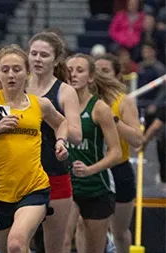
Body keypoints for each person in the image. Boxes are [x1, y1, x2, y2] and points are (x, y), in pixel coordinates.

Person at [0, 44, 69, 253]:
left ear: (27, 72)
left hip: (33, 187)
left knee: (16, 244)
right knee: (9, 249)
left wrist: (60, 141)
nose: (11, 75)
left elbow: (61, 123)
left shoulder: (40, 104)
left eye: (17, 69)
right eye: (5, 69)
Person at [26, 32, 82, 253]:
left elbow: (76, 135)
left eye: (44, 55)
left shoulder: (65, 91)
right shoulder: (18, 85)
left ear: (56, 60)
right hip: (22, 175)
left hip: (54, 174)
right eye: (34, 54)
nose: (38, 59)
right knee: (17, 242)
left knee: (55, 247)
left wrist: (53, 121)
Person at [64, 54, 123, 253]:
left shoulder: (99, 109)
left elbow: (116, 152)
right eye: (69, 70)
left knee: (93, 249)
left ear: (90, 77)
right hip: (67, 184)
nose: (73, 75)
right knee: (62, 241)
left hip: (96, 186)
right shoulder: (58, 105)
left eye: (79, 70)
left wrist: (90, 169)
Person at [95, 53, 143, 253]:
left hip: (118, 169)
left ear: (116, 76)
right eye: (95, 70)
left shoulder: (123, 101)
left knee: (119, 230)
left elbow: (137, 140)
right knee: (85, 225)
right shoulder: (80, 99)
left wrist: (112, 119)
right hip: (91, 170)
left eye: (105, 71)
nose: (99, 75)